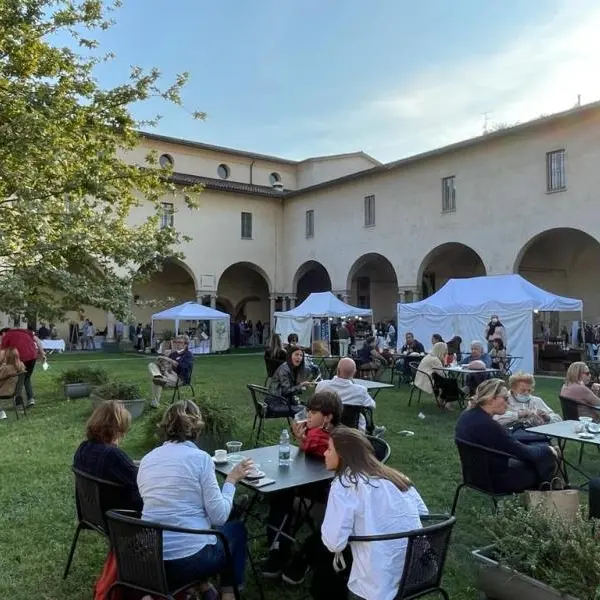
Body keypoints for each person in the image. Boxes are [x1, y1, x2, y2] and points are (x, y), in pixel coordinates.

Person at [137, 400, 251, 600]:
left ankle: (204, 589)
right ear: (196, 428)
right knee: (236, 531)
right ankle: (228, 593)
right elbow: (220, 517)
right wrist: (232, 480)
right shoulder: (200, 459)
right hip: (188, 560)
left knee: (197, 531)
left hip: (150, 562)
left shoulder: (147, 459)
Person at [319, 427, 428, 600]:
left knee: (323, 560)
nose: (325, 453)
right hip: (417, 572)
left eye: (329, 449)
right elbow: (423, 513)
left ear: (342, 455)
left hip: (376, 585)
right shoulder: (396, 476)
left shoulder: (344, 485)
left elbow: (334, 543)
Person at [262, 391, 342, 584]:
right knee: (282, 496)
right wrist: (302, 440)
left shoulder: (326, 437)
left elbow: (316, 449)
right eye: (308, 411)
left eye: (313, 412)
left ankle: (286, 552)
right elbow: (311, 458)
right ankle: (281, 548)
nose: (307, 416)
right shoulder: (322, 435)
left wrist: (304, 439)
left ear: (327, 417)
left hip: (329, 501)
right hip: (314, 490)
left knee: (281, 498)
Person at [455, 379, 557, 493]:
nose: (508, 402)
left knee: (540, 456)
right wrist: (550, 450)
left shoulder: (467, 415)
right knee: (545, 460)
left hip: (474, 476)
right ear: (490, 399)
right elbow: (525, 453)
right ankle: (554, 496)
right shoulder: (489, 425)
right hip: (495, 481)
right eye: (505, 398)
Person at [73, 400, 142, 511]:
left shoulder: (83, 448)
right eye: (122, 430)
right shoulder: (112, 455)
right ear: (117, 430)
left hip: (94, 512)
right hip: (120, 516)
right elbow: (141, 481)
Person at [316, 357, 385, 436]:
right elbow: (372, 406)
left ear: (337, 371)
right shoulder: (360, 391)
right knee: (362, 412)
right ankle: (373, 429)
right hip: (351, 431)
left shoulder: (321, 385)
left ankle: (373, 428)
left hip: (325, 427)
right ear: (354, 373)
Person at [494, 372, 561, 443]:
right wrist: (519, 415)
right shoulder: (504, 400)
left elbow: (558, 420)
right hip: (510, 439)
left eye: (529, 390)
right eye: (523, 390)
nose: (527, 393)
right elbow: (495, 419)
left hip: (534, 437)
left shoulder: (535, 400)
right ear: (513, 389)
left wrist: (547, 417)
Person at [0, 326, 45, 408]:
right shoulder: (25, 332)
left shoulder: (7, 335)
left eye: (1, 336)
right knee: (27, 378)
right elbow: (38, 340)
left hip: (21, 358)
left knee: (18, 379)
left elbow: (2, 352)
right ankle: (30, 399)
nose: (1, 338)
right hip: (32, 357)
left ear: (3, 333)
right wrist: (42, 353)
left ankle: (19, 404)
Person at [147, 334, 194, 408]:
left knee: (156, 381)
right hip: (167, 373)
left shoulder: (188, 355)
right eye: (176, 342)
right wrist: (161, 362)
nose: (177, 344)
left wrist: (169, 360)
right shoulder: (173, 354)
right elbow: (167, 365)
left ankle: (155, 402)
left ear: (186, 345)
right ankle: (158, 376)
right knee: (151, 365)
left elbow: (181, 367)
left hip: (180, 378)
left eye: (180, 342)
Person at [268, 345, 313, 415]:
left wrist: (303, 385)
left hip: (285, 400)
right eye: (296, 354)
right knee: (306, 410)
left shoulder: (293, 368)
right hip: (276, 403)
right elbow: (286, 391)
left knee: (310, 405)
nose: (299, 357)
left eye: (301, 355)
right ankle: (301, 425)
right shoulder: (284, 370)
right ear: (289, 356)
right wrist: (301, 385)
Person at [0, 347, 26, 420]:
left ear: (7, 357)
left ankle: (1, 412)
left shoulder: (7, 368)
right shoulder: (21, 365)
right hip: (15, 391)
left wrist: (2, 366)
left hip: (6, 391)